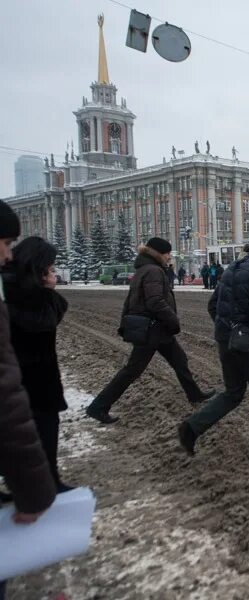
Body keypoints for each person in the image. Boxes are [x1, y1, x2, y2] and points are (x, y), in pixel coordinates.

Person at [179, 234, 249, 459]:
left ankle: (191, 428)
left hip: (225, 339)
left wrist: (227, 330)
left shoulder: (233, 267)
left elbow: (213, 305)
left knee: (233, 392)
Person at [86, 238, 214, 424]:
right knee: (132, 370)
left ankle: (194, 394)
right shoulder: (153, 271)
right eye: (167, 253)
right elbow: (155, 302)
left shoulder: (144, 269)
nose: (169, 256)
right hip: (152, 329)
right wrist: (173, 320)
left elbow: (132, 301)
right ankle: (98, 407)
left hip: (158, 330)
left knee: (180, 361)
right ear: (158, 254)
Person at [0, 202, 56, 600]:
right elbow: (8, 409)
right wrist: (32, 492)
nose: (7, 253)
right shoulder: (17, 299)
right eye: (4, 242)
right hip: (32, 381)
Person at [2, 237, 72, 492]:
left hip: (29, 375)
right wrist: (48, 293)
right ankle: (43, 484)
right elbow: (42, 322)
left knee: (37, 429)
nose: (54, 274)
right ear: (38, 268)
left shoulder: (15, 288)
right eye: (51, 269)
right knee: (38, 429)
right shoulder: (25, 297)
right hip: (29, 376)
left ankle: (46, 480)